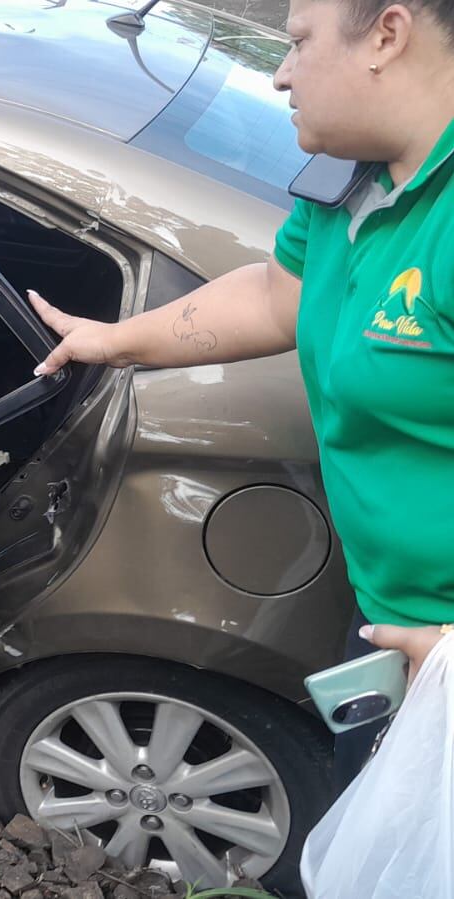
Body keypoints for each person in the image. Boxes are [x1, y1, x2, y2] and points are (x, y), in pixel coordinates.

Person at [29, 0, 454, 790]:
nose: (280, 72)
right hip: (401, 633)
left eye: (298, 43)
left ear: (387, 37)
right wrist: (113, 340)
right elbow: (274, 295)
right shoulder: (359, 178)